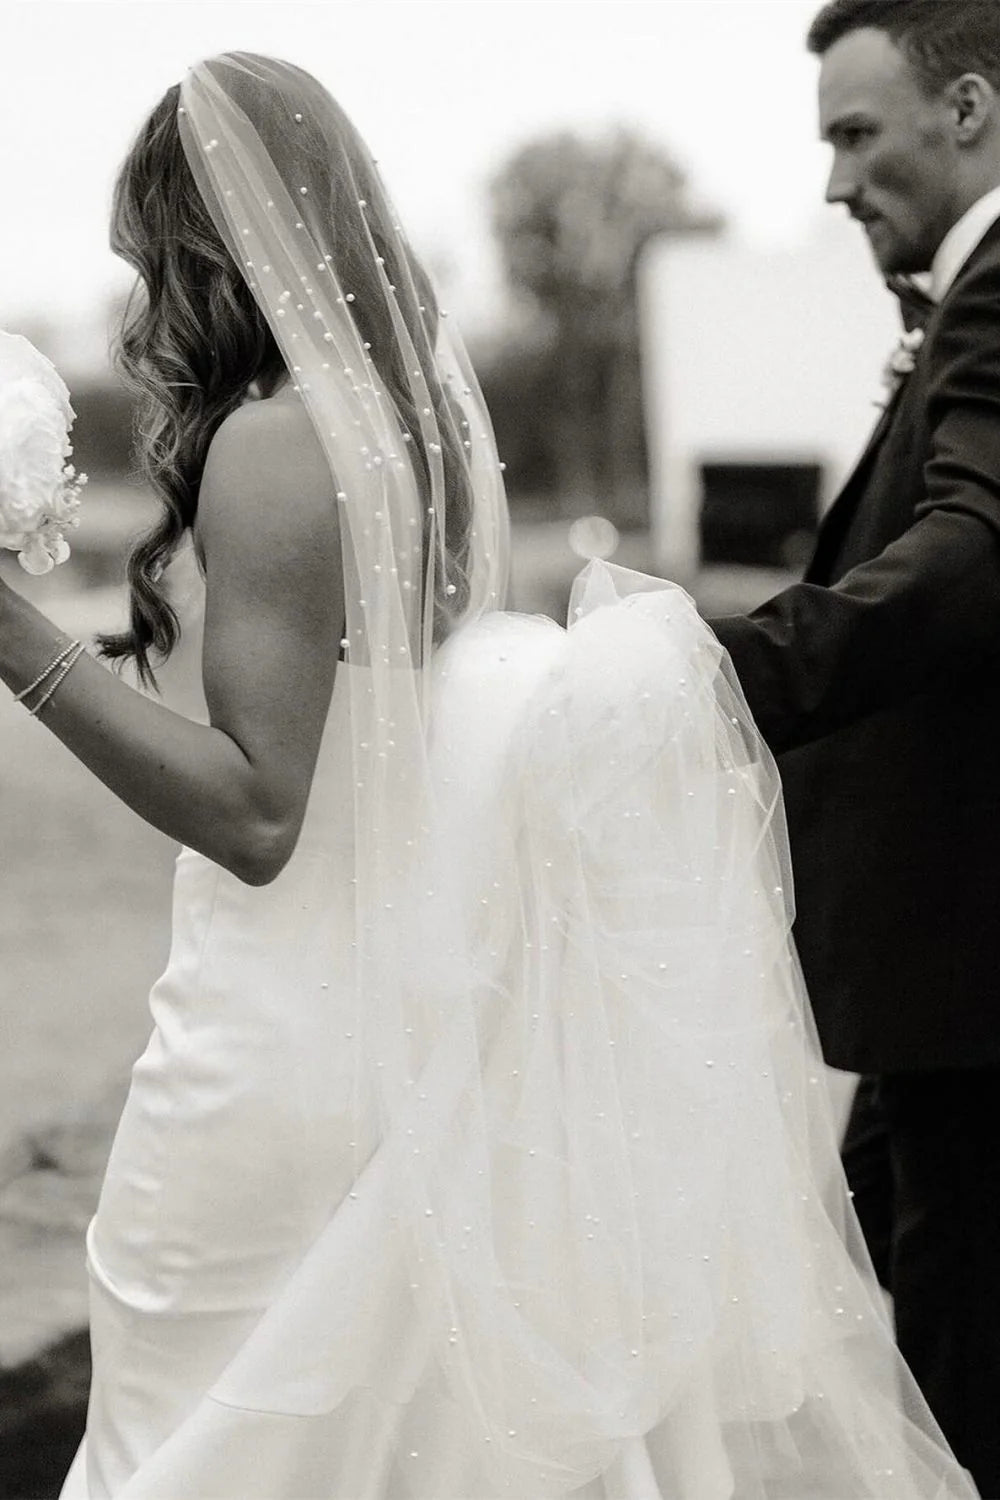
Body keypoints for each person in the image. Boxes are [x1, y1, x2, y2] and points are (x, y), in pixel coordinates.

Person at [0, 53, 977, 1500]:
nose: (141, 294)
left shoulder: (275, 440)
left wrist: (16, 639)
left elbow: (260, 809)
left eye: (147, 254)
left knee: (218, 1425)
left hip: (284, 1029)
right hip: (395, 997)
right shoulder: (414, 432)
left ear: (202, 240)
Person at [708, 3, 1000, 1495]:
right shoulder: (955, 302)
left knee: (966, 1363)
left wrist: (705, 676)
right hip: (931, 984)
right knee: (891, 1262)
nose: (832, 186)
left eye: (855, 132)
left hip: (975, 980)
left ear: (967, 107)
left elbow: (972, 558)